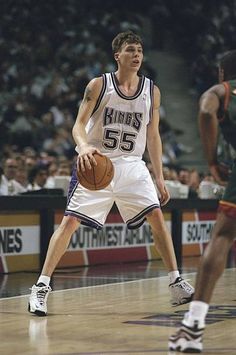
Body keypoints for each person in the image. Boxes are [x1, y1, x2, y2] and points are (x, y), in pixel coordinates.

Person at [28, 31, 194, 316]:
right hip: (97, 161)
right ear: (118, 55)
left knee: (156, 216)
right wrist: (83, 148)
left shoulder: (152, 90)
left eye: (140, 50)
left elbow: (153, 136)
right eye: (130, 50)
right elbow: (78, 125)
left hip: (132, 164)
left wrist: (159, 175)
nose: (137, 54)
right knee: (69, 223)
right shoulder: (98, 85)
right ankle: (40, 288)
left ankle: (176, 282)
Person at [169, 49, 236, 353]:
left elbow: (207, 110)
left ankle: (193, 328)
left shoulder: (223, 90)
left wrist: (211, 161)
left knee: (221, 237)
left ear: (222, 74)